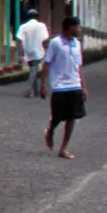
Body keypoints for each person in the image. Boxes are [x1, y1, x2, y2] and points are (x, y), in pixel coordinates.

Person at [42, 15, 86, 159]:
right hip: (60, 86)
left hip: (74, 85)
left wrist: (83, 86)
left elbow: (78, 67)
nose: (79, 30)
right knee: (57, 117)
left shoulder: (77, 44)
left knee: (72, 117)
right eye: (77, 27)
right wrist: (43, 85)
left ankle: (63, 148)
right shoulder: (55, 43)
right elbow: (47, 63)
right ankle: (50, 131)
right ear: (69, 28)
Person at [17, 7, 50, 98]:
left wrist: (20, 54)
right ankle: (29, 89)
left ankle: (35, 92)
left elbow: (20, 40)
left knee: (33, 69)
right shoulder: (42, 26)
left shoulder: (23, 27)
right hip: (38, 50)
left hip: (28, 51)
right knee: (34, 70)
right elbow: (45, 39)